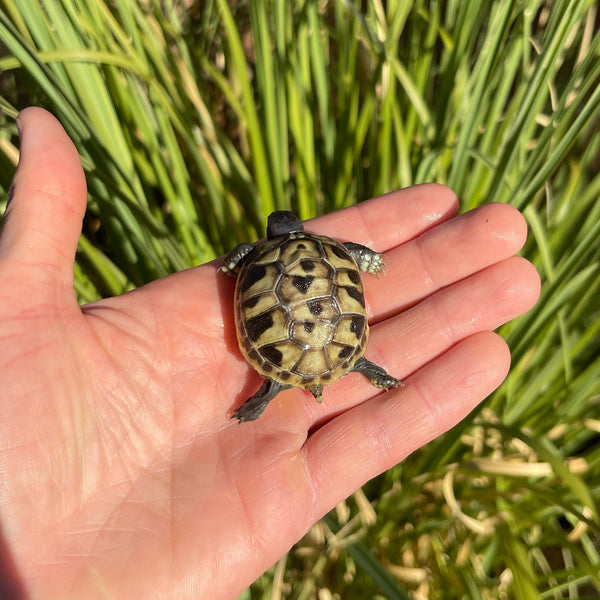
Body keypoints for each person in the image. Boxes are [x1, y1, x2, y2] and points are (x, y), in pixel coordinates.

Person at [0, 108, 540, 599]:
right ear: (299, 229)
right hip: (336, 330)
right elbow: (353, 255)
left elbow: (237, 262)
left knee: (282, 375)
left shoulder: (256, 254)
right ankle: (358, 364)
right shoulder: (326, 248)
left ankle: (273, 387)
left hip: (284, 340)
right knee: (342, 356)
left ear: (268, 234)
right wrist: (371, 261)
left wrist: (234, 265)